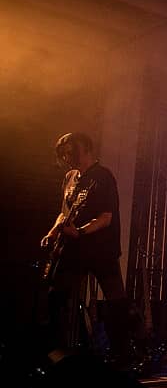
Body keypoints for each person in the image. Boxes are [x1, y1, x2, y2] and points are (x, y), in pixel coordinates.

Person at [42, 132, 132, 364]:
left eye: (71, 151)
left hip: (101, 249)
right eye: (64, 153)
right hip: (74, 250)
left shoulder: (103, 177)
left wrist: (80, 232)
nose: (67, 156)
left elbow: (106, 217)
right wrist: (53, 232)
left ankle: (123, 352)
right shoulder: (70, 177)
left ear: (86, 148)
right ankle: (60, 350)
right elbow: (64, 212)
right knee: (56, 295)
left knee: (115, 299)